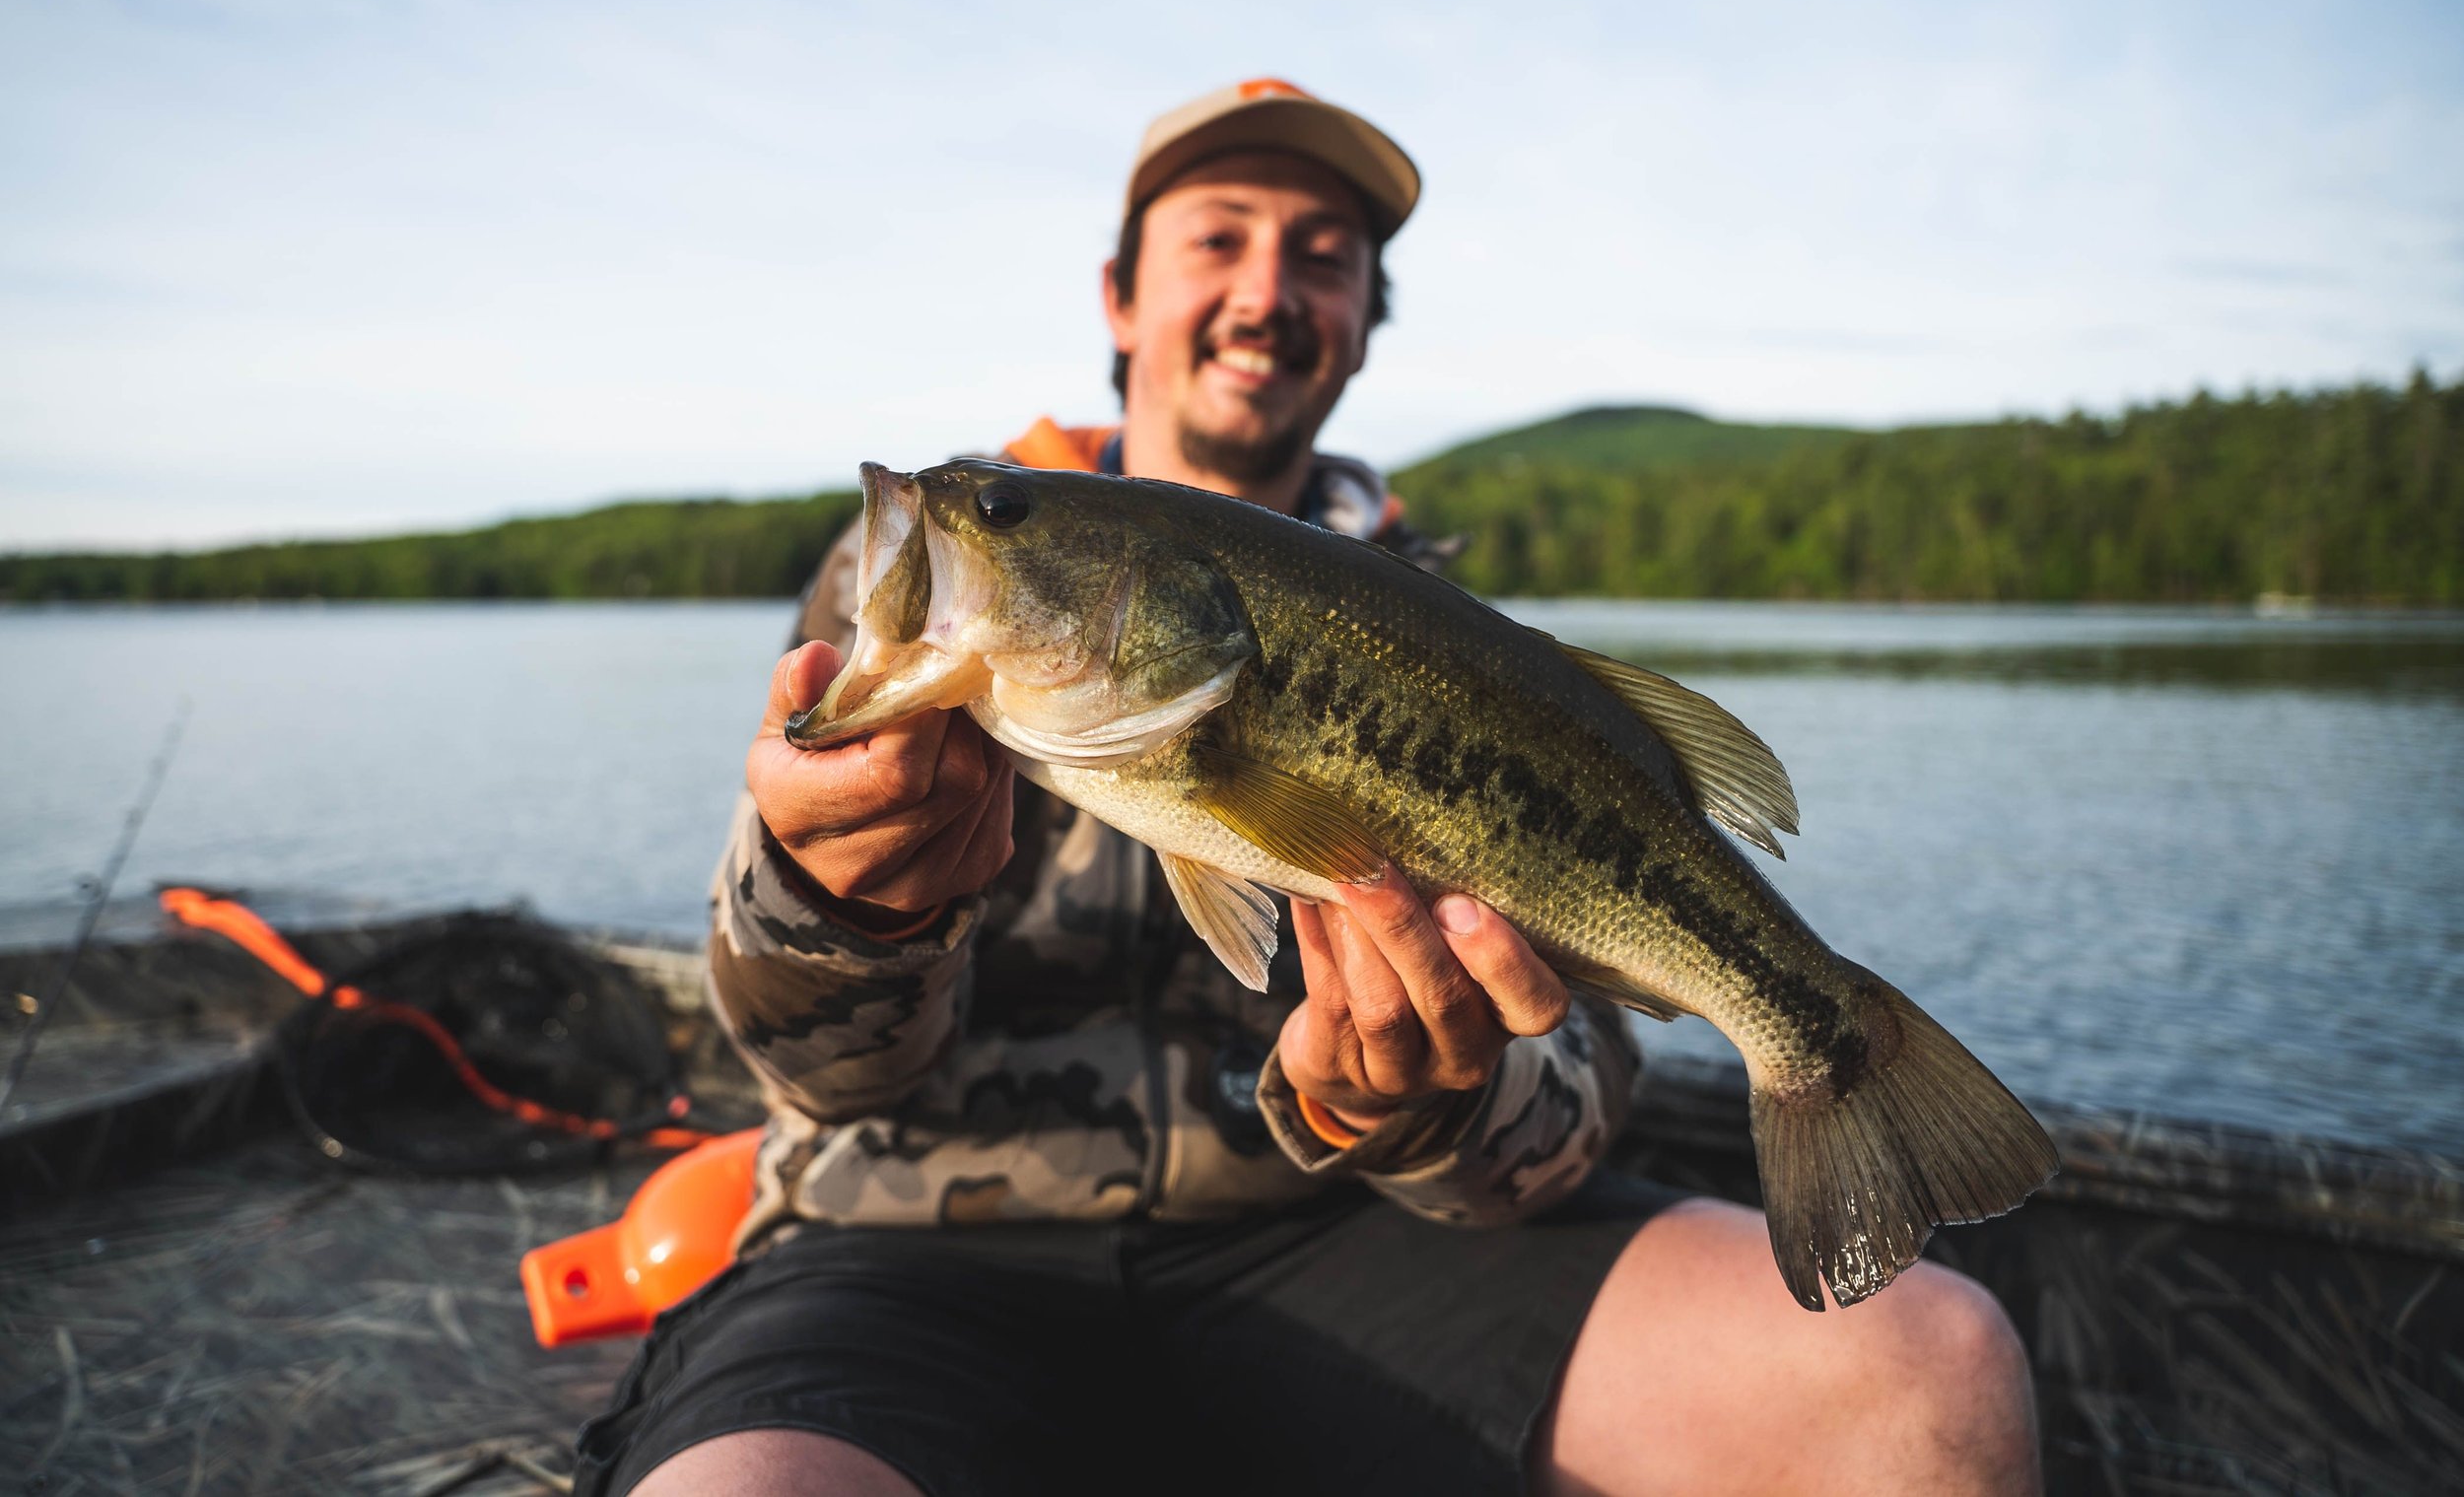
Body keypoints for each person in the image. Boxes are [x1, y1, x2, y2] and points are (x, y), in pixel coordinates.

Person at [573, 80, 2040, 1497]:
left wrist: (1415, 1108)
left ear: (1356, 325)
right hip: (907, 1251)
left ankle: (1834, 1044)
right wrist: (841, 904)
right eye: (1218, 236)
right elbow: (806, 1068)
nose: (1268, 287)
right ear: (1119, 297)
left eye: (1323, 258)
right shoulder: (894, 585)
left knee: (1933, 1367)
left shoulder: (1458, 637)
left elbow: (1580, 1099)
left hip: (1341, 1248)